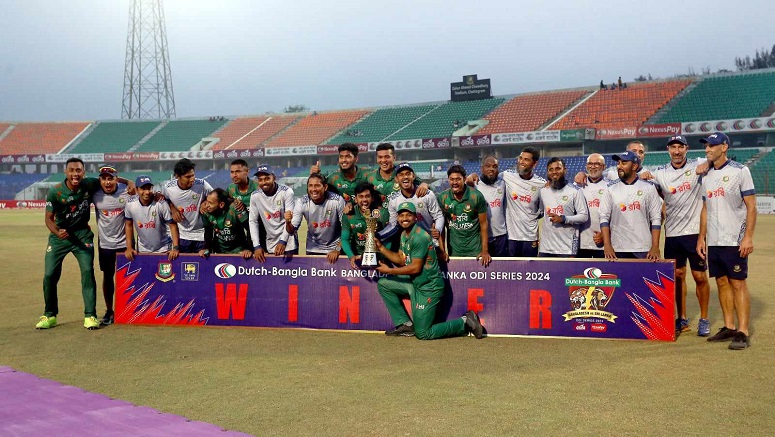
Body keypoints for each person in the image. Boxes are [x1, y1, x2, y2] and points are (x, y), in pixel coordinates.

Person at [36, 158, 132, 330]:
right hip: (59, 237)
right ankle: (49, 315)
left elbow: (111, 178)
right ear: (65, 172)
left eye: (78, 170)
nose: (75, 174)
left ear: (84, 172)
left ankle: (90, 315)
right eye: (72, 170)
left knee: (87, 271)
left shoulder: (89, 184)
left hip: (82, 235)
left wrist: (129, 182)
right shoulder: (55, 191)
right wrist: (57, 232)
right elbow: (48, 219)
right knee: (49, 275)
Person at [374, 201, 484, 340]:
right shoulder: (404, 235)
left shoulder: (420, 237)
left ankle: (464, 322)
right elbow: (402, 260)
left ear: (415, 217)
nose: (404, 218)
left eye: (408, 215)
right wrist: (381, 248)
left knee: (423, 333)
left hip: (429, 287)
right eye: (401, 215)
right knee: (384, 284)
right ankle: (405, 324)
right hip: (415, 284)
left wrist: (389, 271)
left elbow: (415, 268)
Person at [696, 132, 757, 350]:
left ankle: (743, 331)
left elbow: (751, 206)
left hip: (734, 239)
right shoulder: (706, 176)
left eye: (712, 145)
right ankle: (729, 326)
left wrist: (748, 237)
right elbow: (705, 208)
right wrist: (701, 237)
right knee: (721, 281)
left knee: (737, 283)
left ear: (724, 147)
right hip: (714, 240)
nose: (707, 149)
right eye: (706, 146)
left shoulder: (740, 171)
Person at [651, 135, 711, 336]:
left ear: (687, 148)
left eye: (680, 147)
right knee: (677, 276)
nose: (676, 151)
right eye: (673, 147)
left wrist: (709, 163)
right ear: (668, 150)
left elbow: (717, 158)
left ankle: (704, 319)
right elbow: (633, 173)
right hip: (672, 234)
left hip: (694, 233)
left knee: (700, 276)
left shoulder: (697, 164)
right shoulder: (660, 172)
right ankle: (682, 318)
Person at [599, 150, 662, 260]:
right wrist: (607, 245)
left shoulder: (649, 187)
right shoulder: (610, 188)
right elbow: (604, 217)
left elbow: (656, 218)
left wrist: (655, 246)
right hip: (617, 249)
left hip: (643, 248)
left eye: (624, 163)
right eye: (618, 163)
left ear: (634, 166)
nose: (619, 166)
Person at [91, 165, 131, 326]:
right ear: (99, 180)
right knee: (108, 277)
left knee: (129, 278)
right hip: (105, 244)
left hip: (125, 244)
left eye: (111, 179)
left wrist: (128, 182)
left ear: (116, 179)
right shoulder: (95, 193)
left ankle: (128, 309)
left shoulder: (126, 192)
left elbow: (143, 193)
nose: (107, 182)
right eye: (104, 179)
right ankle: (109, 311)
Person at [378, 162, 445, 256]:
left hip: (428, 243)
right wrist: (377, 235)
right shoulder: (394, 200)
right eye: (401, 175)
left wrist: (438, 230)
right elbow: (393, 225)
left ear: (413, 176)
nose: (405, 177)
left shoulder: (427, 195)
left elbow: (438, 216)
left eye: (408, 174)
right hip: (408, 245)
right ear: (396, 179)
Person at [436, 165, 491, 266]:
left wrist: (485, 250)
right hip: (454, 251)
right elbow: (441, 227)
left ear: (464, 179)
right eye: (451, 179)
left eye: (458, 179)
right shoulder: (443, 198)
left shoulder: (476, 196)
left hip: (475, 250)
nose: (454, 182)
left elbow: (483, 224)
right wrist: (442, 251)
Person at [285, 173, 345, 263]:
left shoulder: (337, 200)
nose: (313, 189)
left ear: (325, 187)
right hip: (313, 248)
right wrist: (288, 223)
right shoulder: (302, 202)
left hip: (334, 249)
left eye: (317, 185)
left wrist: (337, 249)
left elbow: (346, 230)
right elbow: (291, 231)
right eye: (310, 186)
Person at [537, 158, 589, 257]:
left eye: (558, 168)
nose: (554, 172)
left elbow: (584, 216)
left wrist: (563, 219)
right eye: (551, 169)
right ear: (547, 172)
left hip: (567, 248)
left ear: (565, 170)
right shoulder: (543, 191)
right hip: (545, 248)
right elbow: (540, 212)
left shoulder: (575, 191)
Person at [161, 158, 213, 253]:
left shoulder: (202, 185)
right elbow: (163, 199)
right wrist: (172, 208)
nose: (192, 179)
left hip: (201, 235)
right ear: (177, 176)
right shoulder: (168, 188)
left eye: (193, 175)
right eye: (188, 177)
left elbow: (215, 197)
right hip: (182, 236)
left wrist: (205, 202)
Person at [124, 175, 180, 262]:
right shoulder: (130, 204)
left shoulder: (161, 203)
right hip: (143, 249)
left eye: (149, 188)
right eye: (143, 189)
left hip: (164, 249)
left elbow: (173, 226)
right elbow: (128, 225)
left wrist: (175, 248)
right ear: (137, 190)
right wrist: (129, 247)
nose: (147, 192)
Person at [249, 165, 298, 262]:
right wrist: (256, 245)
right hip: (271, 243)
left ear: (274, 178)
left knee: (290, 271)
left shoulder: (286, 192)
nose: (264, 182)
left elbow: (290, 220)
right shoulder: (255, 196)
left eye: (267, 178)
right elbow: (253, 221)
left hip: (289, 243)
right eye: (260, 180)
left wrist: (283, 241)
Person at [341, 181, 391, 269]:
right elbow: (345, 239)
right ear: (355, 199)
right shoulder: (348, 215)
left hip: (379, 257)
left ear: (372, 198)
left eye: (367, 196)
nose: (364, 200)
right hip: (358, 256)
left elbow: (389, 239)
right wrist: (351, 256)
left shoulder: (382, 213)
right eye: (361, 196)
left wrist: (382, 256)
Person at [310, 143, 369, 209]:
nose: (343, 160)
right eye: (341, 157)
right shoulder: (332, 179)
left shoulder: (367, 176)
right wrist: (315, 175)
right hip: (341, 214)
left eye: (348, 156)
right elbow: (317, 193)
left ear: (356, 159)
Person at [576, 154, 611, 258]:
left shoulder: (610, 186)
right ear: (586, 166)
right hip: (581, 243)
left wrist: (606, 234)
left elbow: (617, 216)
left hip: (603, 242)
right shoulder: (577, 185)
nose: (593, 166)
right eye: (590, 164)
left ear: (604, 167)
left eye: (597, 164)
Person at [201, 188, 253, 259]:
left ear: (221, 205)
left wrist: (248, 248)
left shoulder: (237, 208)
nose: (206, 205)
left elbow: (250, 228)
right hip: (219, 251)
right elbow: (208, 231)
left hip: (239, 251)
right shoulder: (206, 212)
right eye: (206, 201)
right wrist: (206, 247)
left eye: (210, 203)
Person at [475, 156, 508, 257]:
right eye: (488, 166)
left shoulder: (503, 183)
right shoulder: (475, 185)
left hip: (501, 236)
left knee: (502, 266)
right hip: (480, 237)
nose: (491, 169)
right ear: (482, 168)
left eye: (494, 166)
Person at [227, 159, 262, 248]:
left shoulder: (258, 187)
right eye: (232, 172)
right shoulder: (231, 188)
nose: (234, 175)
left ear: (247, 171)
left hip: (260, 226)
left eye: (237, 171)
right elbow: (221, 201)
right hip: (241, 227)